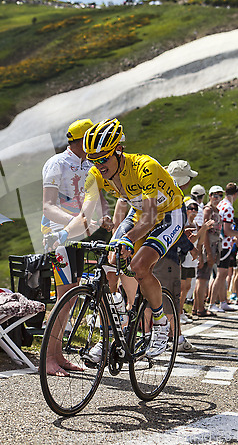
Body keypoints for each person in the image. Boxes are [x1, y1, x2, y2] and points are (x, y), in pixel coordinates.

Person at [55, 118, 185, 358]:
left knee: (139, 266)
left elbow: (149, 219)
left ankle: (160, 325)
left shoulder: (145, 166)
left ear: (119, 150)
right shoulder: (96, 173)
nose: (99, 164)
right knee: (108, 267)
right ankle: (113, 333)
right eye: (93, 159)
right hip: (139, 213)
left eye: (104, 158)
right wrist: (63, 234)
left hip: (168, 214)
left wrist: (127, 238)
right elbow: (86, 212)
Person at [41, 118, 112, 376]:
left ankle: (57, 355)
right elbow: (48, 206)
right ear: (81, 140)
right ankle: (47, 358)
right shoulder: (57, 163)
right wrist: (76, 221)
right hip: (56, 235)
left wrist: (105, 216)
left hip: (79, 234)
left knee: (70, 295)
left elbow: (96, 198)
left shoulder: (90, 165)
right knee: (63, 297)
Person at [208, 182, 238, 313]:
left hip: (218, 242)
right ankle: (212, 303)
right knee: (221, 275)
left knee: (219, 274)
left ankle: (222, 301)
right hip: (225, 244)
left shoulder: (221, 204)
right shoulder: (229, 207)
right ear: (236, 194)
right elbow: (227, 230)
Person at [193, 186, 223, 317]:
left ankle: (196, 307)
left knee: (204, 277)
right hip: (208, 247)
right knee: (202, 278)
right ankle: (200, 308)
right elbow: (204, 231)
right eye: (215, 195)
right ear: (209, 196)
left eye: (220, 195)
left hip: (213, 246)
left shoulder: (216, 210)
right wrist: (209, 252)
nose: (217, 198)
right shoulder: (208, 210)